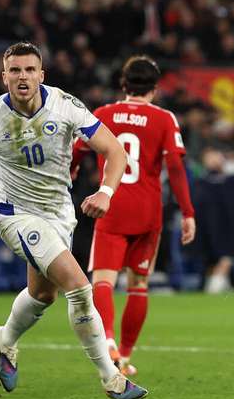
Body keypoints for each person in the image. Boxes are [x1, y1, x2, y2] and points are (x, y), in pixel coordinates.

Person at [0, 42, 147, 399]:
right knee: (79, 287)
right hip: (16, 214)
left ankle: (5, 339)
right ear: (4, 75)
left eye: (29, 70)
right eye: (15, 70)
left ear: (41, 74)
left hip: (59, 213)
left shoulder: (66, 106)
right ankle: (111, 377)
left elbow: (114, 150)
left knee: (43, 295)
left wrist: (106, 191)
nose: (22, 77)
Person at [71, 55, 196, 376]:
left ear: (123, 85)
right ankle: (124, 357)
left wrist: (71, 170)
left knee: (103, 281)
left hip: (110, 206)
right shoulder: (164, 118)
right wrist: (187, 212)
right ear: (155, 89)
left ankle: (108, 342)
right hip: (147, 212)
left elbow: (76, 149)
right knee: (138, 284)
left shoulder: (103, 114)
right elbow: (176, 168)